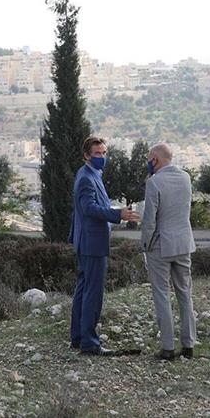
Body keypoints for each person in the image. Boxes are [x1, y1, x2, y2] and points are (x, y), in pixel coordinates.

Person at [69, 136, 140, 356]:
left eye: (104, 153)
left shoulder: (91, 174)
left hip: (88, 241)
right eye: (97, 154)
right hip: (92, 242)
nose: (102, 157)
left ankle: (78, 337)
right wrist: (118, 214)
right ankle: (90, 343)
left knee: (84, 288)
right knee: (93, 292)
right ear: (86, 155)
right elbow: (89, 208)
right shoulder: (86, 178)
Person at [140, 143, 197, 360]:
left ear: (155, 159)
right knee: (185, 293)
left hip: (160, 245)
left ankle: (167, 347)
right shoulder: (186, 178)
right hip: (183, 243)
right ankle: (188, 344)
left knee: (162, 294)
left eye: (149, 158)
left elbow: (149, 219)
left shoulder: (154, 182)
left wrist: (145, 244)